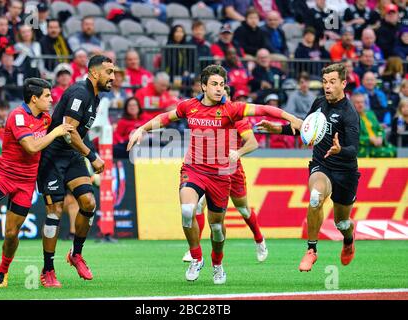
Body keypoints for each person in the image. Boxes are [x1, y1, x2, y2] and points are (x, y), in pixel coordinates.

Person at [127, 64, 302, 284]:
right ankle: (196, 257)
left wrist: (292, 119)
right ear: (203, 86)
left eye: (222, 85)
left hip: (221, 175)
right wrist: (141, 129)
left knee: (218, 228)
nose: (219, 89)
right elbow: (165, 118)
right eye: (214, 84)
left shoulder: (232, 109)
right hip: (194, 169)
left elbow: (265, 110)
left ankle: (218, 263)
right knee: (188, 209)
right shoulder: (188, 106)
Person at [0, 78, 73, 287]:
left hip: (26, 182)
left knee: (11, 233)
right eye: (47, 96)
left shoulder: (46, 119)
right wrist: (56, 132)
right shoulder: (18, 116)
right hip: (4, 175)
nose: (51, 99)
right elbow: (31, 147)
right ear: (34, 98)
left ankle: (2, 271)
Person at [258, 63, 361, 272]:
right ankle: (311, 250)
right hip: (321, 165)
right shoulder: (319, 103)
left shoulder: (349, 113)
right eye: (325, 82)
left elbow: (353, 149)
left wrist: (339, 149)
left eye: (332, 82)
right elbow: (305, 130)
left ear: (343, 83)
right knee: (315, 196)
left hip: (345, 171)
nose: (328, 86)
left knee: (342, 223)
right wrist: (277, 129)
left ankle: (349, 240)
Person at [36, 55, 115, 288]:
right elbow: (68, 131)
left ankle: (75, 254)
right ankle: (48, 270)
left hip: (72, 156)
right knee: (55, 211)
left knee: (89, 203)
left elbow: (78, 133)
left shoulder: (95, 96)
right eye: (109, 72)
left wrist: (85, 153)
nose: (113, 77)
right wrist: (92, 156)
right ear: (94, 73)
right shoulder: (80, 92)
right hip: (52, 156)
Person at [182, 85, 268, 263]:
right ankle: (194, 251)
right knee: (197, 206)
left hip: (232, 171)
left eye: (225, 95)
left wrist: (238, 152)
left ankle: (259, 239)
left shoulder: (236, 117)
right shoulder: (206, 115)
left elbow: (252, 143)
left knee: (243, 209)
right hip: (208, 169)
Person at [353, 92, 396, 157]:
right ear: (352, 104)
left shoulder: (370, 114)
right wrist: (370, 139)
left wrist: (380, 137)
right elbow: (353, 137)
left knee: (396, 150)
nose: (360, 104)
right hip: (365, 148)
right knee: (388, 153)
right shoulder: (351, 118)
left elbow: (380, 129)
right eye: (357, 102)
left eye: (362, 102)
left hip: (378, 144)